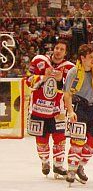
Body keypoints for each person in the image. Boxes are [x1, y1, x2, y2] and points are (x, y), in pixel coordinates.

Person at [63, 44, 93, 186]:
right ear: (82, 58)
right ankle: (71, 170)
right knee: (77, 141)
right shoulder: (73, 72)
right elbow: (67, 94)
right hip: (79, 107)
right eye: (90, 58)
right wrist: (70, 111)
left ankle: (80, 165)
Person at [25, 39, 74, 178]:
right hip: (38, 108)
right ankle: (45, 161)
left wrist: (61, 81)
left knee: (60, 138)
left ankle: (58, 165)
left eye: (62, 49)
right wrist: (43, 77)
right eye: (57, 48)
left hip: (57, 111)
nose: (58, 51)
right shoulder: (39, 60)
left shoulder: (70, 68)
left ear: (66, 53)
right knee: (42, 139)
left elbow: (71, 90)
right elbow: (28, 80)